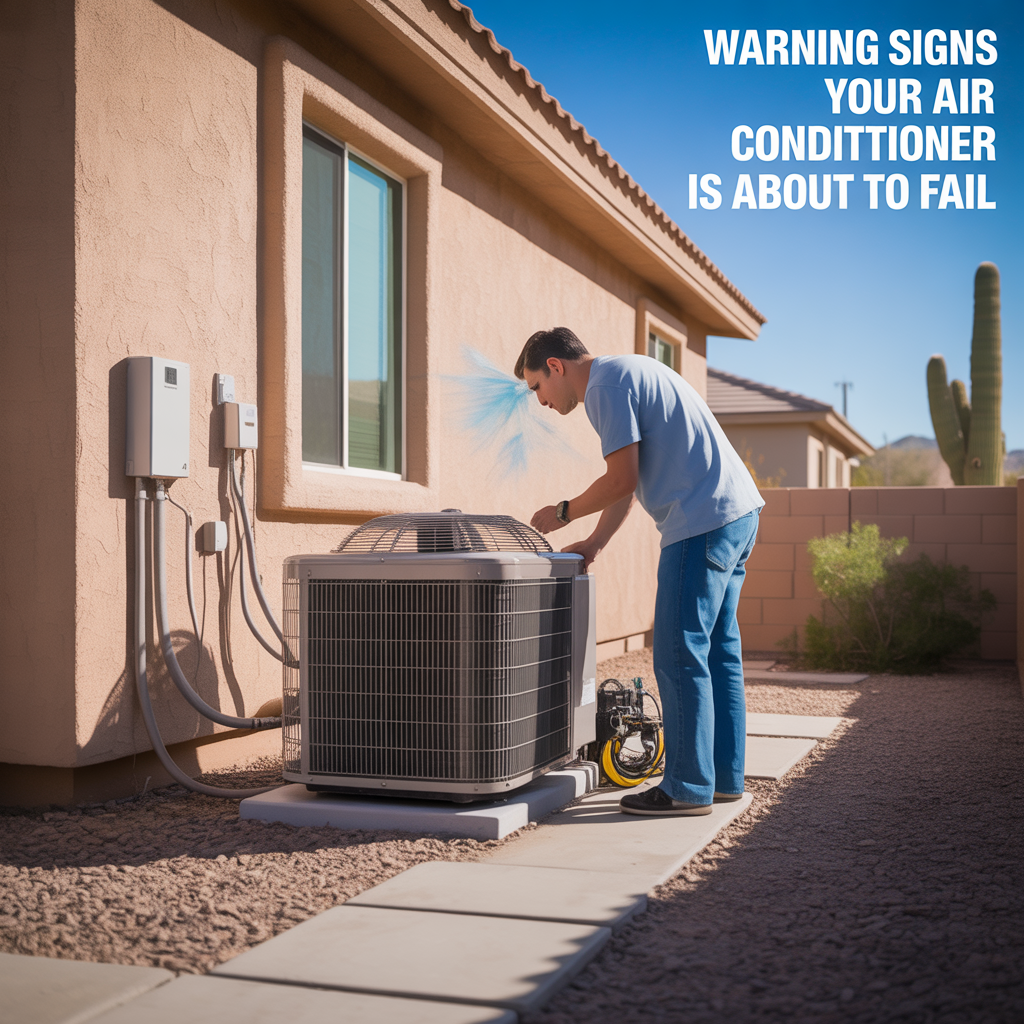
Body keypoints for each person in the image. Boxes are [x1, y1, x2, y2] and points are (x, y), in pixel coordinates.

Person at [515, 327, 764, 816]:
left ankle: (687, 788)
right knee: (717, 654)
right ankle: (723, 780)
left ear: (556, 367)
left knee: (677, 653)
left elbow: (619, 479)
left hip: (702, 523)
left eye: (536, 387)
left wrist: (564, 511)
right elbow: (628, 484)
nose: (540, 401)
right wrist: (594, 543)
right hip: (740, 514)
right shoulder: (628, 372)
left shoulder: (604, 388)